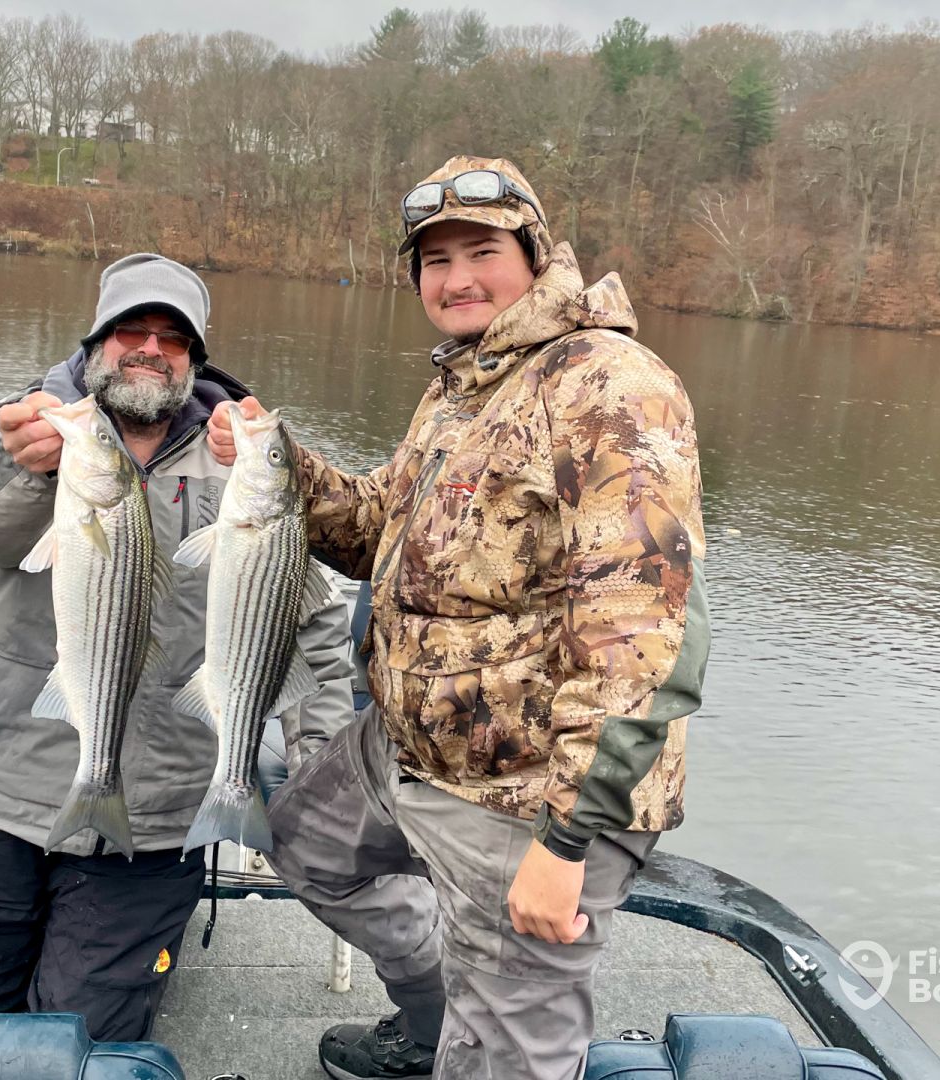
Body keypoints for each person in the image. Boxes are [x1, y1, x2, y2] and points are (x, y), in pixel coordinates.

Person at [208, 157, 710, 1080]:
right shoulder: (463, 388)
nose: (457, 278)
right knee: (303, 844)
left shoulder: (605, 386)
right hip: (410, 749)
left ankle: (477, 1033)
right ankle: (435, 1018)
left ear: (536, 257)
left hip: (533, 794)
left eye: (482, 252)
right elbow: (380, 531)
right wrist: (279, 470)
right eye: (435, 260)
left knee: (510, 1051)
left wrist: (567, 842)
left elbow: (641, 636)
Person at [0, 252, 356, 1041]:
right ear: (95, 343)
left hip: (155, 815)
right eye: (130, 330)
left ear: (195, 358)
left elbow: (312, 623)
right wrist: (18, 469)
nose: (150, 349)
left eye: (173, 338)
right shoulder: (30, 426)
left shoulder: (245, 459)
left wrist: (314, 762)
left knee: (88, 1029)